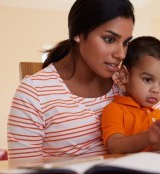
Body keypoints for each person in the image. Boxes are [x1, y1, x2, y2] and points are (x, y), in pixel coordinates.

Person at [7, 0, 135, 159]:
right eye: (109, 39)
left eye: (126, 42)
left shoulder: (128, 84)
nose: (121, 54)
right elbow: (22, 169)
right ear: (78, 34)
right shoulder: (33, 94)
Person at [101, 36, 160, 154]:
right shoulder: (114, 110)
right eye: (147, 79)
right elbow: (115, 145)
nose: (156, 89)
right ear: (125, 75)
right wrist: (148, 137)